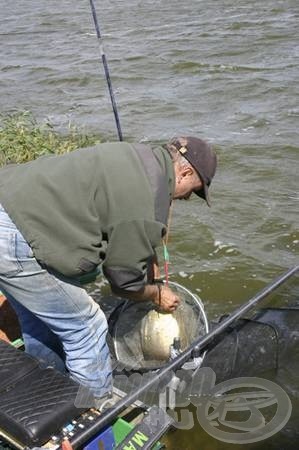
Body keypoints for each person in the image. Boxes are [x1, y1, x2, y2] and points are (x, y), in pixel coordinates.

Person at [0, 135, 216, 400]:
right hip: (12, 237)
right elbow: (122, 282)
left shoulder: (137, 156)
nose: (187, 198)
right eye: (194, 190)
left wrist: (146, 255)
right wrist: (155, 294)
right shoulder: (144, 200)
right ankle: (90, 419)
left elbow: (120, 215)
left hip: (9, 195)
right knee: (86, 326)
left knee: (40, 318)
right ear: (185, 172)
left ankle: (48, 393)